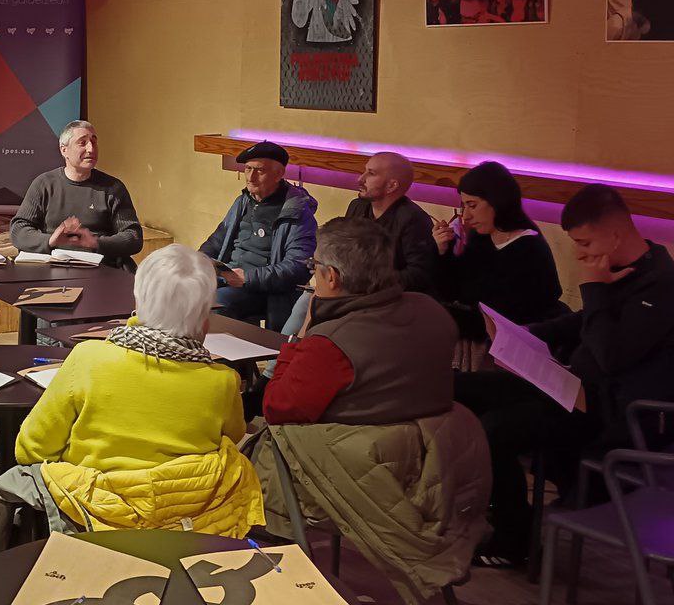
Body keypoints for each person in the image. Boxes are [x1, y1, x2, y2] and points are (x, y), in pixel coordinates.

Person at [249, 217, 491, 605]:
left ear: (331, 277)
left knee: (252, 451)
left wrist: (303, 332)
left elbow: (277, 408)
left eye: (313, 266)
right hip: (429, 466)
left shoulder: (331, 342)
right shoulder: (431, 311)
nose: (311, 275)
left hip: (357, 475)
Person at [0, 245, 264, 562]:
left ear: (137, 303)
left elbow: (31, 448)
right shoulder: (223, 381)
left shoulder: (89, 358)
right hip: (187, 528)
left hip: (93, 519)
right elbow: (232, 434)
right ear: (205, 319)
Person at [455, 184, 674, 567]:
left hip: (610, 411)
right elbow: (583, 322)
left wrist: (592, 288)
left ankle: (514, 541)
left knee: (498, 428)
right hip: (570, 385)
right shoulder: (621, 272)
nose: (579, 255)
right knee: (459, 388)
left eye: (585, 244)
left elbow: (610, 356)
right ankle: (486, 496)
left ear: (615, 235)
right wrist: (524, 336)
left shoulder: (662, 285)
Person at [280, 151, 436, 336]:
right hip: (346, 290)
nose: (360, 179)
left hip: (380, 300)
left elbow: (419, 275)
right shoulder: (358, 206)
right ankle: (285, 352)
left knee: (313, 309)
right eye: (364, 171)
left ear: (392, 185)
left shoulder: (413, 219)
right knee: (305, 303)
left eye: (371, 173)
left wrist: (365, 282)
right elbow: (341, 250)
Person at [433, 161, 565, 371]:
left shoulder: (528, 248)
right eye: (464, 206)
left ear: (498, 201)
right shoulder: (482, 237)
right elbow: (455, 289)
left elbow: (500, 319)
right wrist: (443, 251)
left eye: (472, 205)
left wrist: (437, 315)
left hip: (513, 349)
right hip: (478, 333)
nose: (465, 216)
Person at [200, 141, 317, 330]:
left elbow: (299, 267)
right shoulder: (243, 201)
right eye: (248, 169)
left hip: (264, 289)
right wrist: (198, 261)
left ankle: (228, 350)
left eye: (259, 170)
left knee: (215, 304)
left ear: (279, 174)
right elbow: (217, 240)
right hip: (227, 278)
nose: (251, 177)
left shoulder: (296, 211)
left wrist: (248, 277)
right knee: (178, 289)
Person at [10, 120, 143, 270]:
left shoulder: (113, 188)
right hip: (52, 269)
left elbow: (133, 236)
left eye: (94, 142)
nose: (91, 149)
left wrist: (96, 243)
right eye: (82, 143)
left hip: (101, 269)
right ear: (64, 150)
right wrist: (50, 240)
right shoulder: (44, 184)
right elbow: (18, 230)